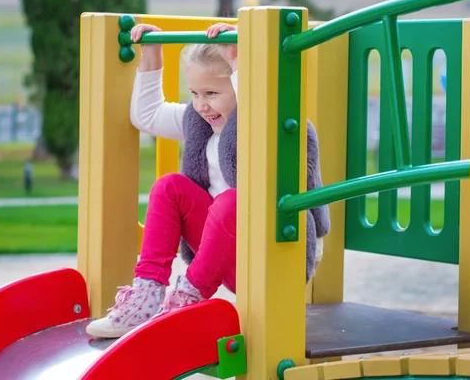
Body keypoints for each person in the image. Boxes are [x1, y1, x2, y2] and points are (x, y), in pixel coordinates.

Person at [85, 22, 330, 339]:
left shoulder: (273, 124)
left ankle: (186, 301)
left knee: (232, 200)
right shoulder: (199, 120)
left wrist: (241, 60)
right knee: (168, 186)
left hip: (276, 255)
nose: (201, 104)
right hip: (223, 257)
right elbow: (146, 116)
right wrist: (151, 54)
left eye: (212, 93)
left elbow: (256, 110)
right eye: (195, 93)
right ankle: (146, 297)